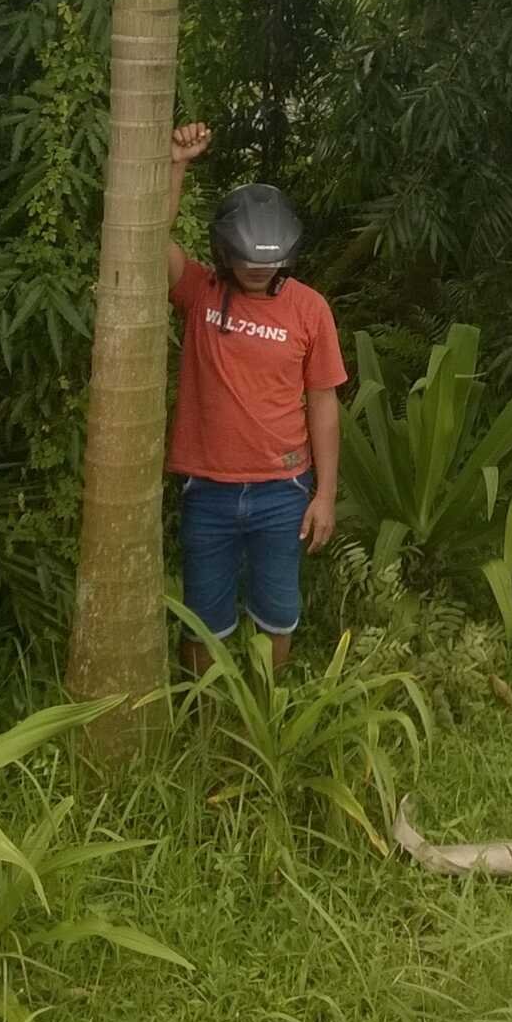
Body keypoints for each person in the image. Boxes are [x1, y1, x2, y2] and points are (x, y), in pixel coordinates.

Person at [165, 122, 346, 675]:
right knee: (204, 620)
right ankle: (203, 715)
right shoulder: (201, 293)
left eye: (268, 262)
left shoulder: (310, 309)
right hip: (208, 489)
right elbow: (147, 240)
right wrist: (176, 165)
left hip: (282, 490)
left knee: (278, 615)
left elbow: (323, 403)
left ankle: (266, 708)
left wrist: (325, 495)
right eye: (245, 260)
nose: (257, 269)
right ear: (224, 253)